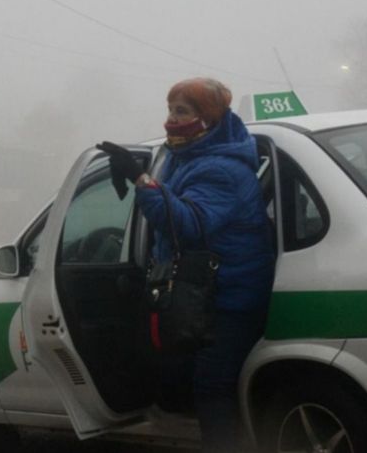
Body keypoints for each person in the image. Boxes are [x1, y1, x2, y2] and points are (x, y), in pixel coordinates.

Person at [98, 77, 275, 453]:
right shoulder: (188, 158)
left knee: (213, 388)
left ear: (208, 119)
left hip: (230, 299)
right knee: (188, 378)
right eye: (170, 110)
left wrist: (141, 179)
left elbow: (188, 224)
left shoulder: (220, 169)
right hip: (210, 295)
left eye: (183, 112)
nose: (172, 120)